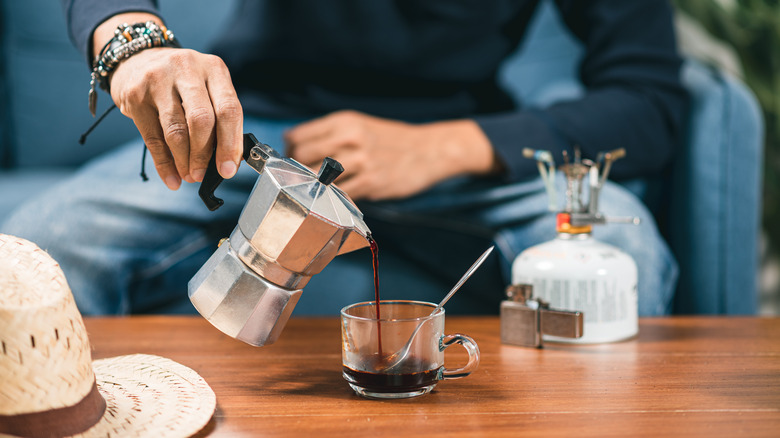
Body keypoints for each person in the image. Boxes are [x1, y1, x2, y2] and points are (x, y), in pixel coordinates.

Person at [4, 0, 686, 316]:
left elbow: (649, 100)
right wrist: (131, 41)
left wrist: (446, 146)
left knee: (624, 261)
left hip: (460, 148)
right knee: (40, 252)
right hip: (259, 136)